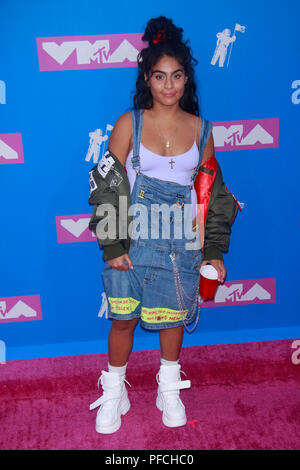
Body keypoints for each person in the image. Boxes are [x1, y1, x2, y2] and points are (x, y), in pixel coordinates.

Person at [88, 16, 239, 434]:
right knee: (123, 321)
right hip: (133, 242)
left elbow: (214, 194)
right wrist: (113, 244)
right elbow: (106, 184)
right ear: (148, 80)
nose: (168, 85)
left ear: (186, 79)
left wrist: (212, 251)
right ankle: (115, 389)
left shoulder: (201, 130)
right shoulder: (128, 124)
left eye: (176, 76)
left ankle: (168, 387)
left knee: (172, 320)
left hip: (182, 243)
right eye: (160, 77)